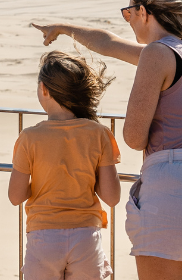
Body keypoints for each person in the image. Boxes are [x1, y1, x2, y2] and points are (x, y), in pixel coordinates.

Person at [30, 0, 182, 280]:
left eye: (128, 12)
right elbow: (109, 43)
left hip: (176, 197)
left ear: (144, 11)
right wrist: (63, 28)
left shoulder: (156, 54)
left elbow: (133, 136)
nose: (127, 20)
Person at [8, 51, 122, 280]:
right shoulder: (99, 134)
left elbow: (15, 196)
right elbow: (112, 197)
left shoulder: (30, 137)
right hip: (86, 236)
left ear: (44, 90)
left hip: (43, 236)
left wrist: (42, 181)